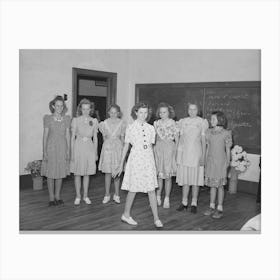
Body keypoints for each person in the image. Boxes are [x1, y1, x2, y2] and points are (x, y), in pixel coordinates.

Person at [115, 102, 163, 228]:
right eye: (141, 112)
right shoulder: (130, 127)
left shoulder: (151, 128)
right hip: (135, 159)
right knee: (133, 189)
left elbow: (152, 148)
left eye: (146, 112)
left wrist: (155, 164)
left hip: (148, 160)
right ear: (136, 112)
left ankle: (156, 218)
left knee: (151, 189)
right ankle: (126, 214)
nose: (143, 115)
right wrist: (121, 164)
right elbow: (126, 146)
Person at [176, 103, 208, 213]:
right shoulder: (183, 122)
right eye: (190, 109)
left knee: (195, 180)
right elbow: (180, 140)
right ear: (188, 110)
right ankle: (184, 202)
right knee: (186, 180)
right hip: (185, 154)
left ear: (198, 110)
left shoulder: (202, 122)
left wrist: (203, 156)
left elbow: (203, 141)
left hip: (196, 154)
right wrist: (178, 155)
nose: (192, 111)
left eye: (194, 109)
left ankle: (194, 203)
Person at [41, 95, 71, 206]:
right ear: (53, 106)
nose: (59, 107)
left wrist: (68, 151)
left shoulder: (67, 119)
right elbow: (45, 136)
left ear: (63, 107)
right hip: (51, 148)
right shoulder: (48, 118)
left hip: (62, 148)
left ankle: (58, 196)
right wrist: (44, 151)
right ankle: (51, 197)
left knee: (60, 173)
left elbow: (68, 135)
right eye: (57, 105)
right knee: (51, 173)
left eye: (61, 106)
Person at [203, 111, 232, 219]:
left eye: (213, 119)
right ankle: (211, 206)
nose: (211, 121)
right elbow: (208, 148)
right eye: (211, 119)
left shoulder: (226, 133)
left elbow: (228, 149)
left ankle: (219, 208)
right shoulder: (208, 132)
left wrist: (228, 162)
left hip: (221, 162)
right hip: (211, 162)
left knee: (220, 186)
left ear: (220, 120)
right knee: (212, 186)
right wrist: (205, 161)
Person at [70, 99, 98, 205]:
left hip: (89, 148)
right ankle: (78, 196)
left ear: (90, 109)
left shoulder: (94, 121)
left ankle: (85, 195)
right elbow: (72, 137)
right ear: (80, 109)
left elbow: (95, 138)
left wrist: (95, 153)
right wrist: (72, 153)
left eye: (88, 109)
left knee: (87, 173)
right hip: (78, 147)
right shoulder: (76, 120)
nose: (85, 111)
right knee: (77, 173)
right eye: (83, 109)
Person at [98, 104, 126, 204]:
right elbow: (104, 137)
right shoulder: (104, 123)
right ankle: (107, 194)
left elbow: (122, 138)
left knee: (117, 173)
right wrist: (107, 146)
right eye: (111, 112)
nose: (113, 114)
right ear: (108, 113)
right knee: (108, 172)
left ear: (118, 113)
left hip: (118, 148)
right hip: (108, 149)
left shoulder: (122, 123)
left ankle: (117, 194)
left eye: (115, 112)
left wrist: (123, 150)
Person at [154, 102, 178, 208]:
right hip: (159, 149)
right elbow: (154, 138)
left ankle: (167, 198)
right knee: (159, 175)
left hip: (169, 149)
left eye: (164, 112)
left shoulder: (173, 123)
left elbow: (177, 140)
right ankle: (158, 196)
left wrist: (176, 153)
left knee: (168, 176)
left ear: (169, 113)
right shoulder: (156, 123)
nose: (162, 114)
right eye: (160, 112)